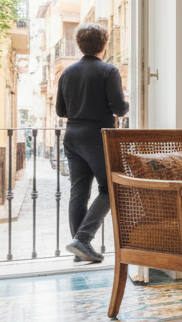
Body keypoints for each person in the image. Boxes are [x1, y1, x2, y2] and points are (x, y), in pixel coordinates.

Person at [55, 23, 129, 263]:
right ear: (104, 45)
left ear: (79, 45)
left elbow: (60, 111)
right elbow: (119, 109)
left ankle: (80, 249)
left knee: (79, 191)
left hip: (72, 135)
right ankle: (83, 239)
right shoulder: (108, 71)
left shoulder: (67, 73)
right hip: (96, 136)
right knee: (111, 188)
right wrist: (126, 105)